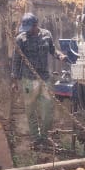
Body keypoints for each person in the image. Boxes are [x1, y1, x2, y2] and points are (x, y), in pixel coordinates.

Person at [10, 12, 66, 149]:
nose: (27, 31)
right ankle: (36, 139)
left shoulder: (46, 35)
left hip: (45, 78)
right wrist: (14, 80)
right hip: (28, 80)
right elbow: (16, 60)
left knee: (48, 110)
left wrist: (60, 56)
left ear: (36, 25)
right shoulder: (21, 39)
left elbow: (53, 50)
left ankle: (44, 137)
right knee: (30, 111)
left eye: (29, 28)